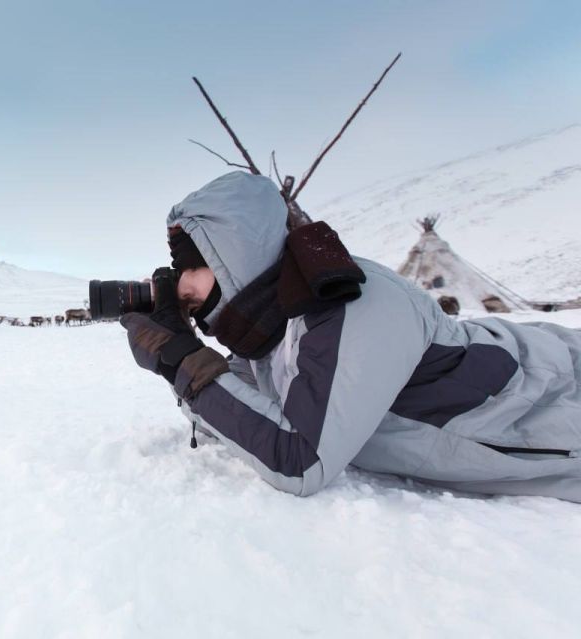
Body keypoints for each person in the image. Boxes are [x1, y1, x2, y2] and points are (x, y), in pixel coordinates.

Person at [121, 171, 581, 502]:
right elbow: (231, 425)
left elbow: (300, 461)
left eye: (191, 267)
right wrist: (178, 354)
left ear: (234, 257)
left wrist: (185, 362)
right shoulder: (271, 330)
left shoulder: (348, 304)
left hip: (556, 393)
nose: (182, 285)